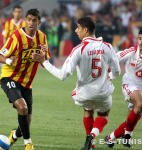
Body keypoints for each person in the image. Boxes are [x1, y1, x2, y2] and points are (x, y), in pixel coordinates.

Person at [32, 16, 120, 150]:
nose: (75, 30)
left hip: (84, 94)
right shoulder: (107, 47)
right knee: (104, 114)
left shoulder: (79, 49)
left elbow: (62, 76)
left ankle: (90, 143)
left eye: (78, 27)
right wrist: (109, 76)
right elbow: (117, 71)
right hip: (103, 92)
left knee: (88, 109)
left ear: (85, 30)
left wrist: (44, 62)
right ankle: (92, 135)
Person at [0, 8, 50, 150]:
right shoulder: (16, 37)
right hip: (10, 77)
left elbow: (45, 64)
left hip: (27, 83)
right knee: (22, 107)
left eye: (35, 20)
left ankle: (14, 136)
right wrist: (8, 61)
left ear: (39, 22)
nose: (31, 22)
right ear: (25, 20)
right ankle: (28, 144)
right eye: (29, 19)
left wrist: (42, 58)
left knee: (26, 120)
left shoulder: (42, 38)